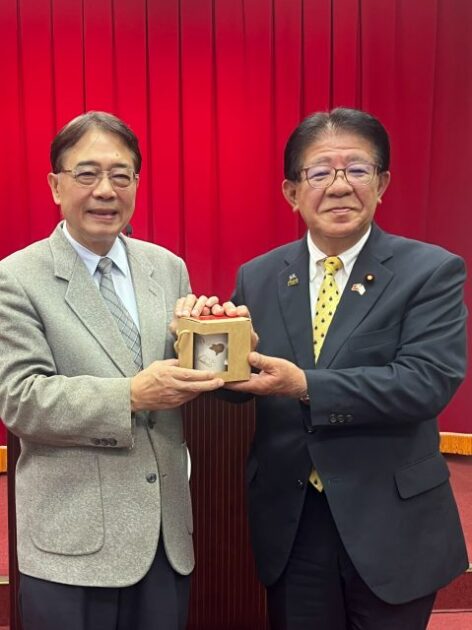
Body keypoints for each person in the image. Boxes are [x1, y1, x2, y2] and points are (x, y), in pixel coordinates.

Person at [221, 108, 468, 629]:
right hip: (293, 523)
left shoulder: (430, 271)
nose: (339, 186)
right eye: (320, 172)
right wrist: (207, 346)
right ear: (292, 192)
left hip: (390, 523)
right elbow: (239, 385)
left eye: (357, 169)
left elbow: (425, 383)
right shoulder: (258, 276)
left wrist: (304, 385)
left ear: (382, 184)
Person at [0, 111, 227, 630]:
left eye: (121, 175)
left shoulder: (166, 267)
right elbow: (21, 398)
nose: (105, 190)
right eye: (87, 174)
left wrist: (223, 342)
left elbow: (189, 366)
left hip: (165, 540)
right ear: (55, 186)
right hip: (70, 544)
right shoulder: (16, 278)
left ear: (137, 185)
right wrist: (131, 394)